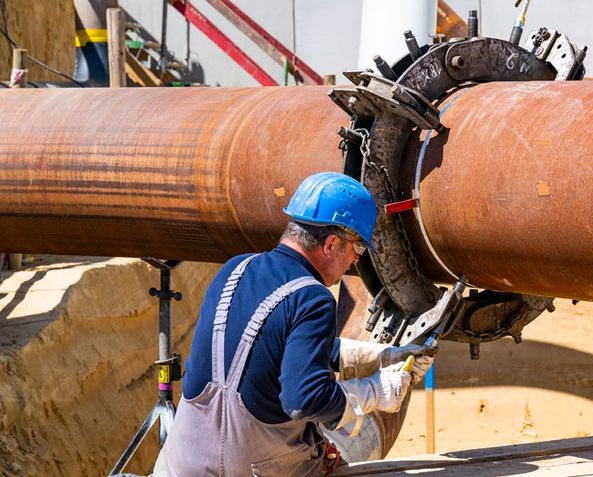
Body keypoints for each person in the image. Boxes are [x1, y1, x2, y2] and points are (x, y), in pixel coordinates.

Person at [153, 172, 434, 476]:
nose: (356, 260)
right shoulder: (314, 298)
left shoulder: (235, 269)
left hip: (179, 467)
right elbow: (305, 400)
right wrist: (377, 391)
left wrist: (378, 357)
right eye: (358, 248)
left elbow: (273, 344)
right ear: (331, 244)